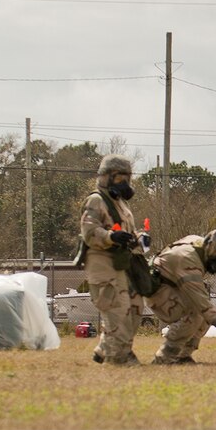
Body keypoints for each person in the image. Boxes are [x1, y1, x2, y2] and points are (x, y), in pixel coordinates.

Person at [79, 153, 143, 365]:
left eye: (127, 178)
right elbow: (89, 232)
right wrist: (110, 237)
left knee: (134, 309)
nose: (124, 184)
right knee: (118, 312)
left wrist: (138, 239)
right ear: (106, 177)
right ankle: (119, 358)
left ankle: (106, 349)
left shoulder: (121, 205)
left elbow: (127, 232)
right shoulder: (96, 200)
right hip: (103, 266)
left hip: (122, 265)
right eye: (119, 178)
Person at [150, 227, 216, 366]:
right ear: (212, 247)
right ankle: (165, 357)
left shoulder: (199, 245)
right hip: (158, 291)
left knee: (205, 315)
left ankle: (183, 356)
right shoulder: (189, 261)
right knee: (196, 314)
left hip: (171, 288)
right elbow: (201, 303)